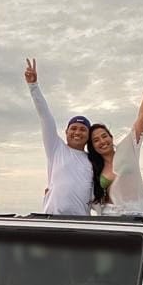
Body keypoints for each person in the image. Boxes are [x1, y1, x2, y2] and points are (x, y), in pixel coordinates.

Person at [88, 58, 143, 216]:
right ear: (92, 146)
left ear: (111, 137)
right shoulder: (94, 166)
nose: (102, 141)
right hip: (110, 217)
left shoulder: (128, 150)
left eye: (104, 136)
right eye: (96, 140)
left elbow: (142, 117)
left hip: (137, 214)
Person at [24, 57, 93, 215]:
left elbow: (104, 192)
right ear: (66, 132)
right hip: (52, 220)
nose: (77, 132)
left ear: (88, 136)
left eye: (83, 129)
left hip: (82, 224)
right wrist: (33, 85)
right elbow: (45, 116)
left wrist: (136, 187)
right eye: (73, 128)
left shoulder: (93, 161)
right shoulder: (56, 148)